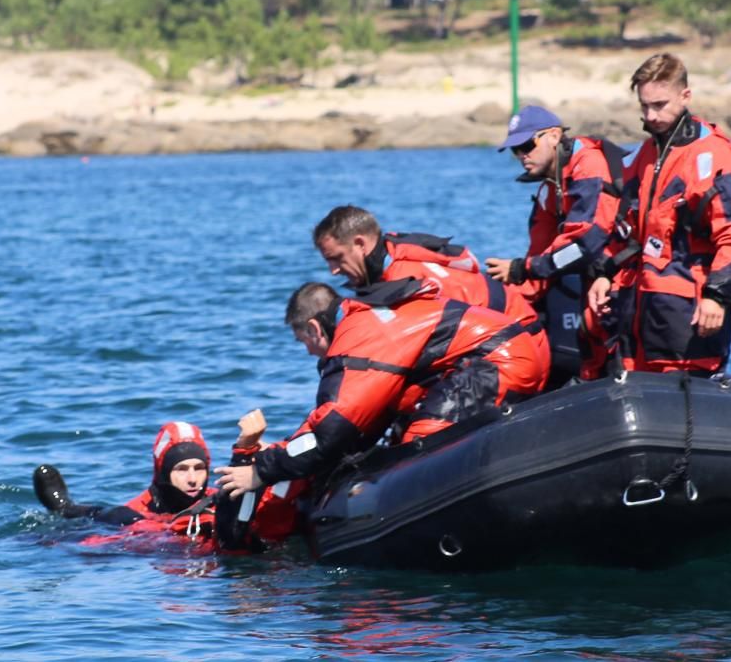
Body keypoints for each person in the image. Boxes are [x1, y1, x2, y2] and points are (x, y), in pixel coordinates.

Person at [215, 279, 545, 499]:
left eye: (304, 341)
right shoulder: (368, 320)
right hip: (504, 355)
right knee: (402, 449)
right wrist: (289, 453)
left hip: (498, 361)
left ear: (315, 329)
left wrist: (262, 470)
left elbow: (334, 429)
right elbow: (361, 422)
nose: (308, 352)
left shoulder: (358, 338)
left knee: (421, 459)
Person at [587, 53, 731, 375]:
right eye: (644, 106)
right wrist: (603, 272)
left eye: (659, 105)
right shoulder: (645, 154)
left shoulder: (713, 155)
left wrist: (717, 294)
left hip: (688, 315)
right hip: (639, 315)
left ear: (685, 96)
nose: (651, 115)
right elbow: (625, 228)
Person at [313, 204, 550, 388]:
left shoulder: (404, 279)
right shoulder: (396, 257)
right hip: (517, 342)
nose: (333, 270)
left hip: (518, 350)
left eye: (336, 258)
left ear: (360, 244)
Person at [484, 105, 629, 384]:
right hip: (595, 277)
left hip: (626, 272)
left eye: (527, 145)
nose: (522, 156)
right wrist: (503, 302)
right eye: (516, 151)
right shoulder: (549, 190)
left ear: (553, 135)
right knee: (588, 342)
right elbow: (540, 252)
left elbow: (585, 242)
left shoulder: (588, 164)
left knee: (612, 344)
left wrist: (523, 269)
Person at [33, 421, 301, 551]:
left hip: (209, 557)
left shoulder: (215, 498)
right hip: (146, 541)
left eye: (199, 468)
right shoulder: (133, 512)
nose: (193, 478)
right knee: (117, 517)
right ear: (162, 472)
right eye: (182, 469)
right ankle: (65, 507)